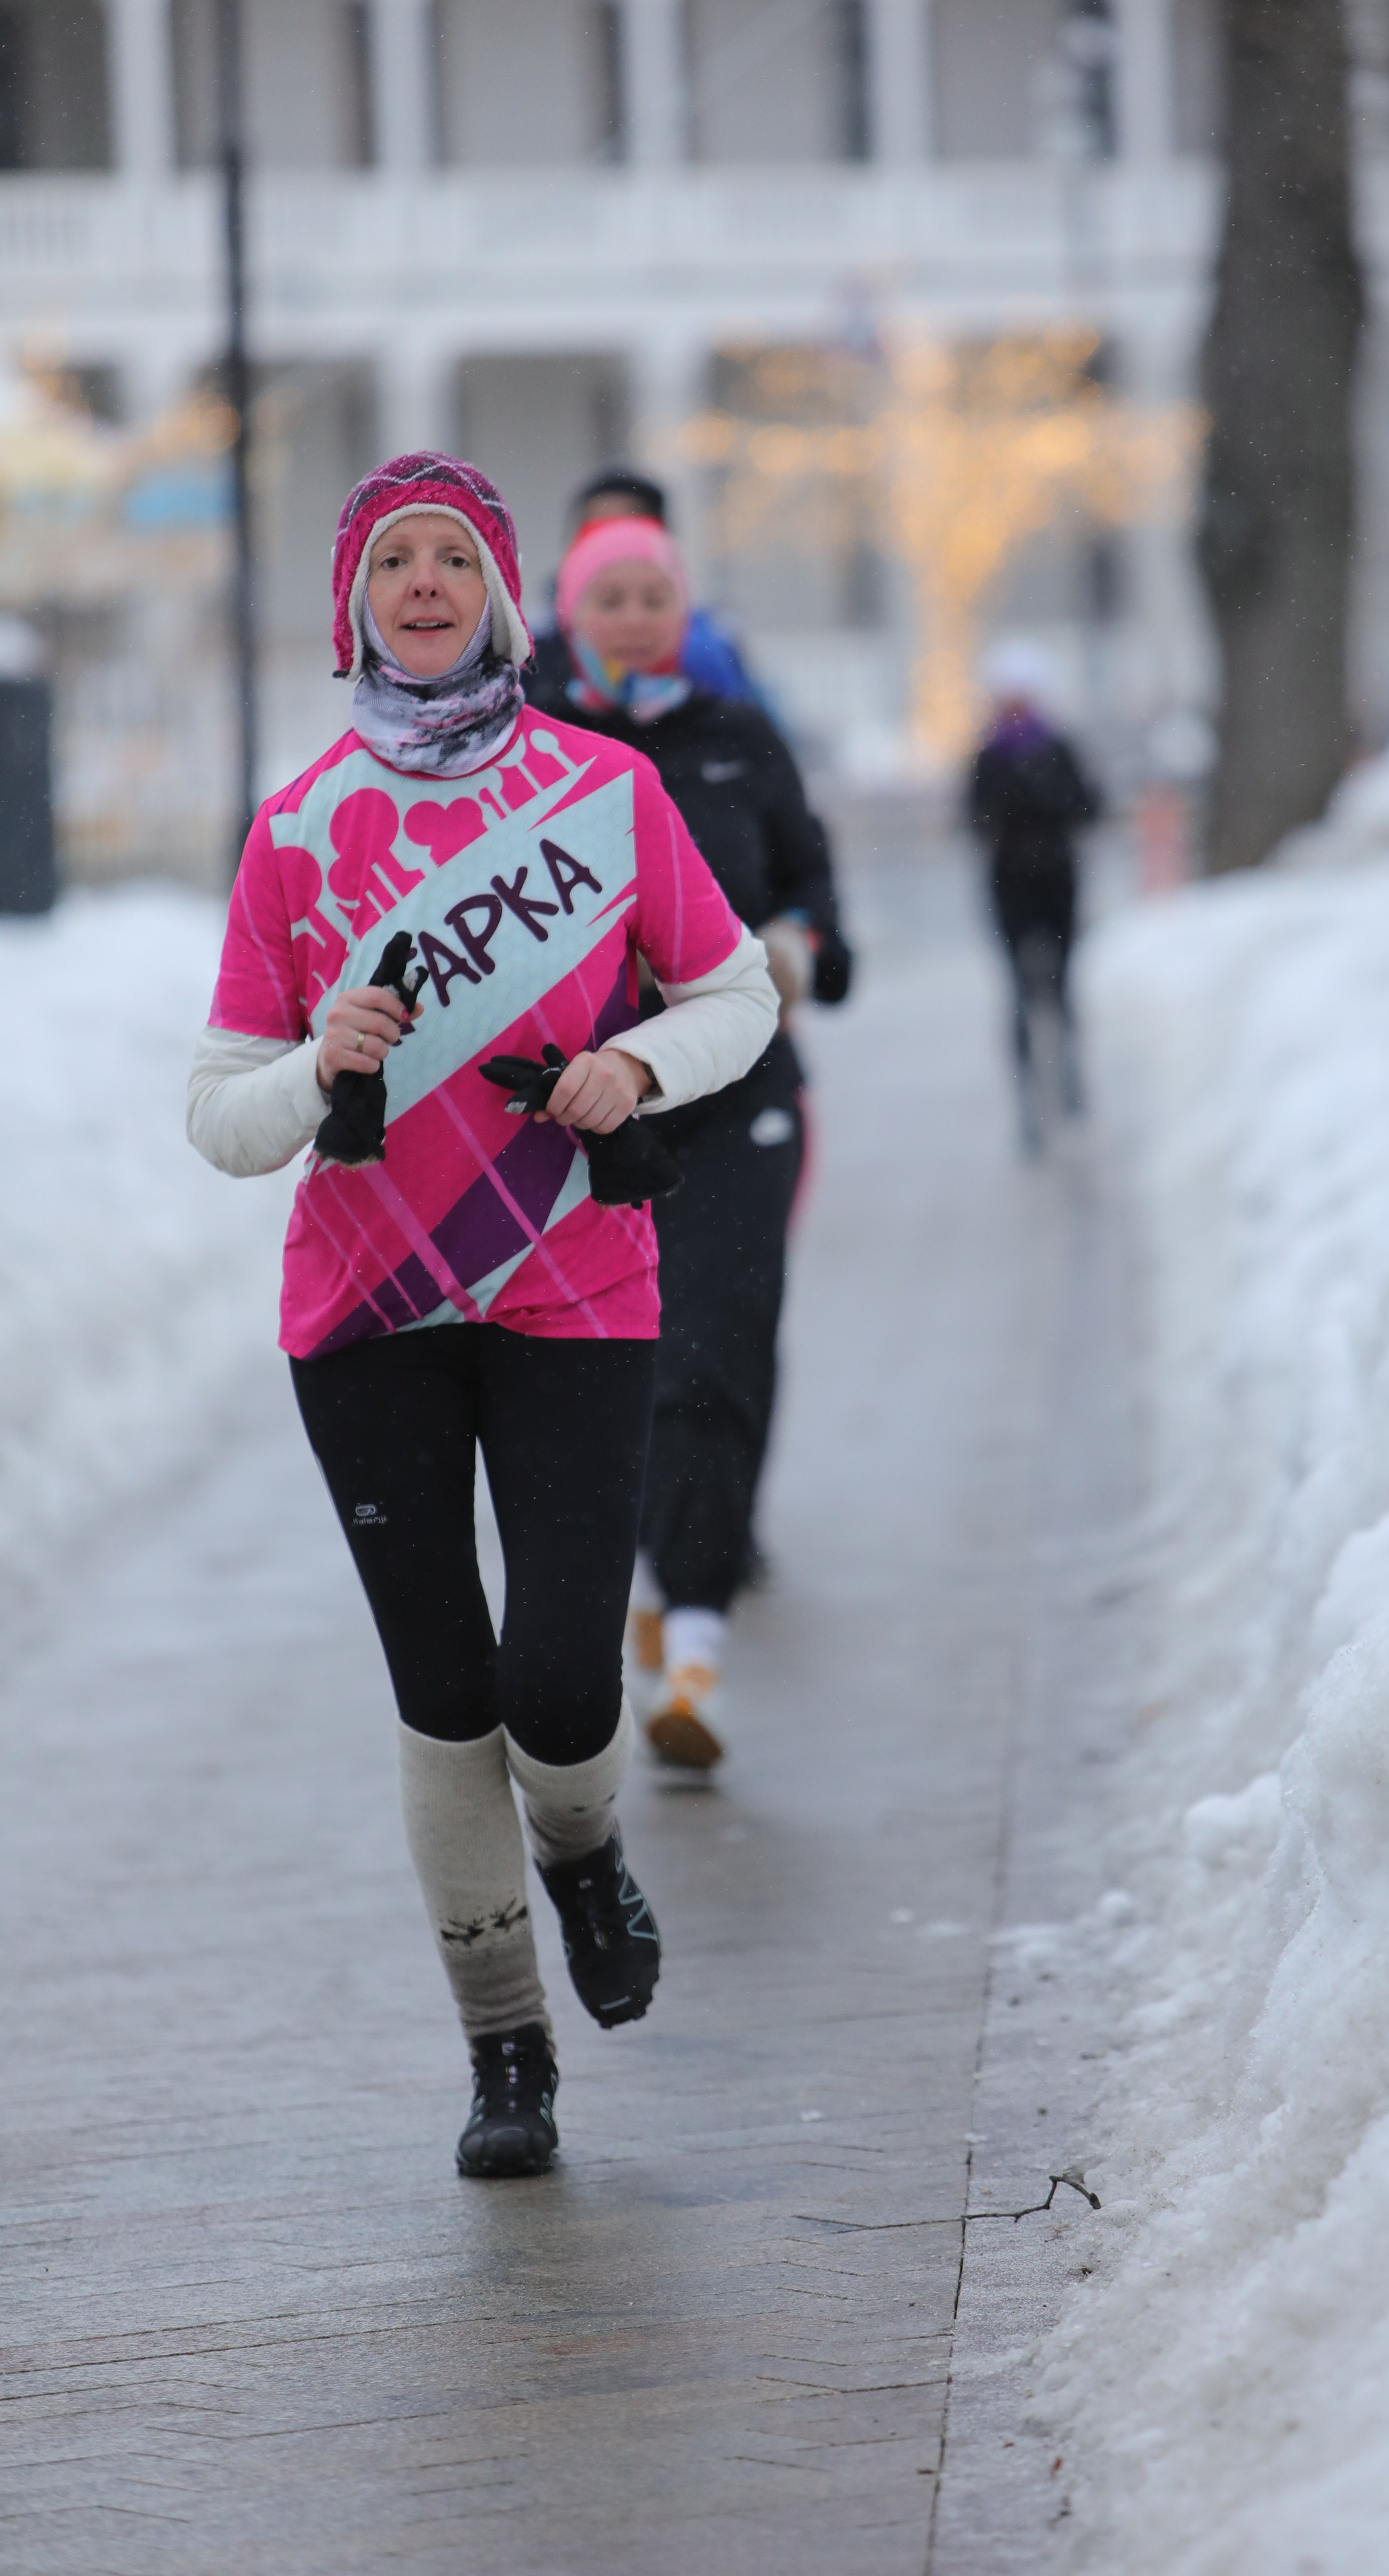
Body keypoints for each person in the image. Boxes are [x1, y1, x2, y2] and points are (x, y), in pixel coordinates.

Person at [186, 452, 779, 2180]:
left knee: (555, 1671)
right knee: (446, 1692)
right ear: (354, 604)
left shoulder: (605, 792)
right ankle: (504, 2049)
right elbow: (224, 1114)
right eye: (394, 564)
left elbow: (732, 986)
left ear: (502, 600)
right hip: (365, 1311)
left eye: (454, 560)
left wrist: (633, 1060)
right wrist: (321, 1064)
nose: (425, 585)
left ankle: (583, 1845)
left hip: (571, 1282)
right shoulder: (297, 827)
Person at [524, 508, 852, 1774]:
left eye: (654, 596)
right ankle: (651, 1581)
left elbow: (820, 894)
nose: (634, 617)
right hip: (589, 1114)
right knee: (630, 1378)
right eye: (608, 598)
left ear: (685, 612)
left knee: (721, 1357)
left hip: (743, 1096)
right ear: (570, 615)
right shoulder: (540, 752)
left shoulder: (737, 737)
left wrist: (794, 951)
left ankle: (699, 1650)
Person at [965, 640, 1103, 1152]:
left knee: (1063, 983)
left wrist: (1049, 801)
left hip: (1057, 880)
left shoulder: (1059, 748)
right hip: (1011, 885)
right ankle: (1028, 1100)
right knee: (1019, 992)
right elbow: (973, 819)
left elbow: (1089, 806)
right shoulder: (987, 757)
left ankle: (1069, 1075)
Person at [530, 466, 767, 709]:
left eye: (633, 529)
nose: (634, 621)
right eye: (599, 532)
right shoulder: (529, 651)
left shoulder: (713, 647)